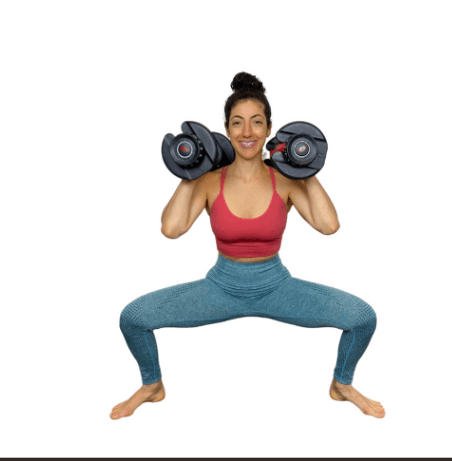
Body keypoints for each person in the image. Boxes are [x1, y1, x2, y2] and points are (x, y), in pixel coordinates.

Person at [111, 72, 383, 419]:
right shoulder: (209, 181)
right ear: (226, 129)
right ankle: (152, 385)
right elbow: (171, 229)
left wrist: (305, 166)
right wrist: (190, 173)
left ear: (270, 129)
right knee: (133, 318)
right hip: (220, 287)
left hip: (277, 287)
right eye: (237, 123)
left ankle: (341, 384)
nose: (247, 132)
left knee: (363, 318)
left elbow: (329, 226)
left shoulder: (285, 179)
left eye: (257, 123)